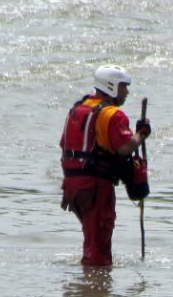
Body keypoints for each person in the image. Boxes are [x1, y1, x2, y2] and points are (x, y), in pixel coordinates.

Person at [59, 64, 151, 266]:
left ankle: (88, 289)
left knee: (92, 240)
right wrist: (141, 134)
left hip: (72, 187)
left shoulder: (78, 109)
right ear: (111, 86)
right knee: (98, 250)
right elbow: (125, 147)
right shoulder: (112, 114)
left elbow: (64, 146)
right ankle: (94, 292)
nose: (126, 92)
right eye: (123, 87)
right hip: (95, 188)